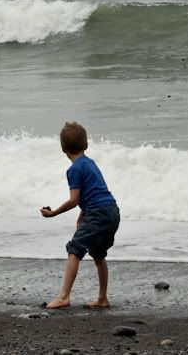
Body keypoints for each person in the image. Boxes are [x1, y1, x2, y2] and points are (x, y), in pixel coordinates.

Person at [40, 122, 120, 309]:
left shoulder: (74, 169)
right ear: (86, 145)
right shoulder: (90, 163)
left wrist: (53, 213)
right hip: (112, 211)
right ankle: (102, 298)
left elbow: (74, 199)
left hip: (98, 213)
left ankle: (64, 296)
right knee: (98, 254)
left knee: (74, 249)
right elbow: (95, 192)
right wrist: (82, 216)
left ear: (63, 148)